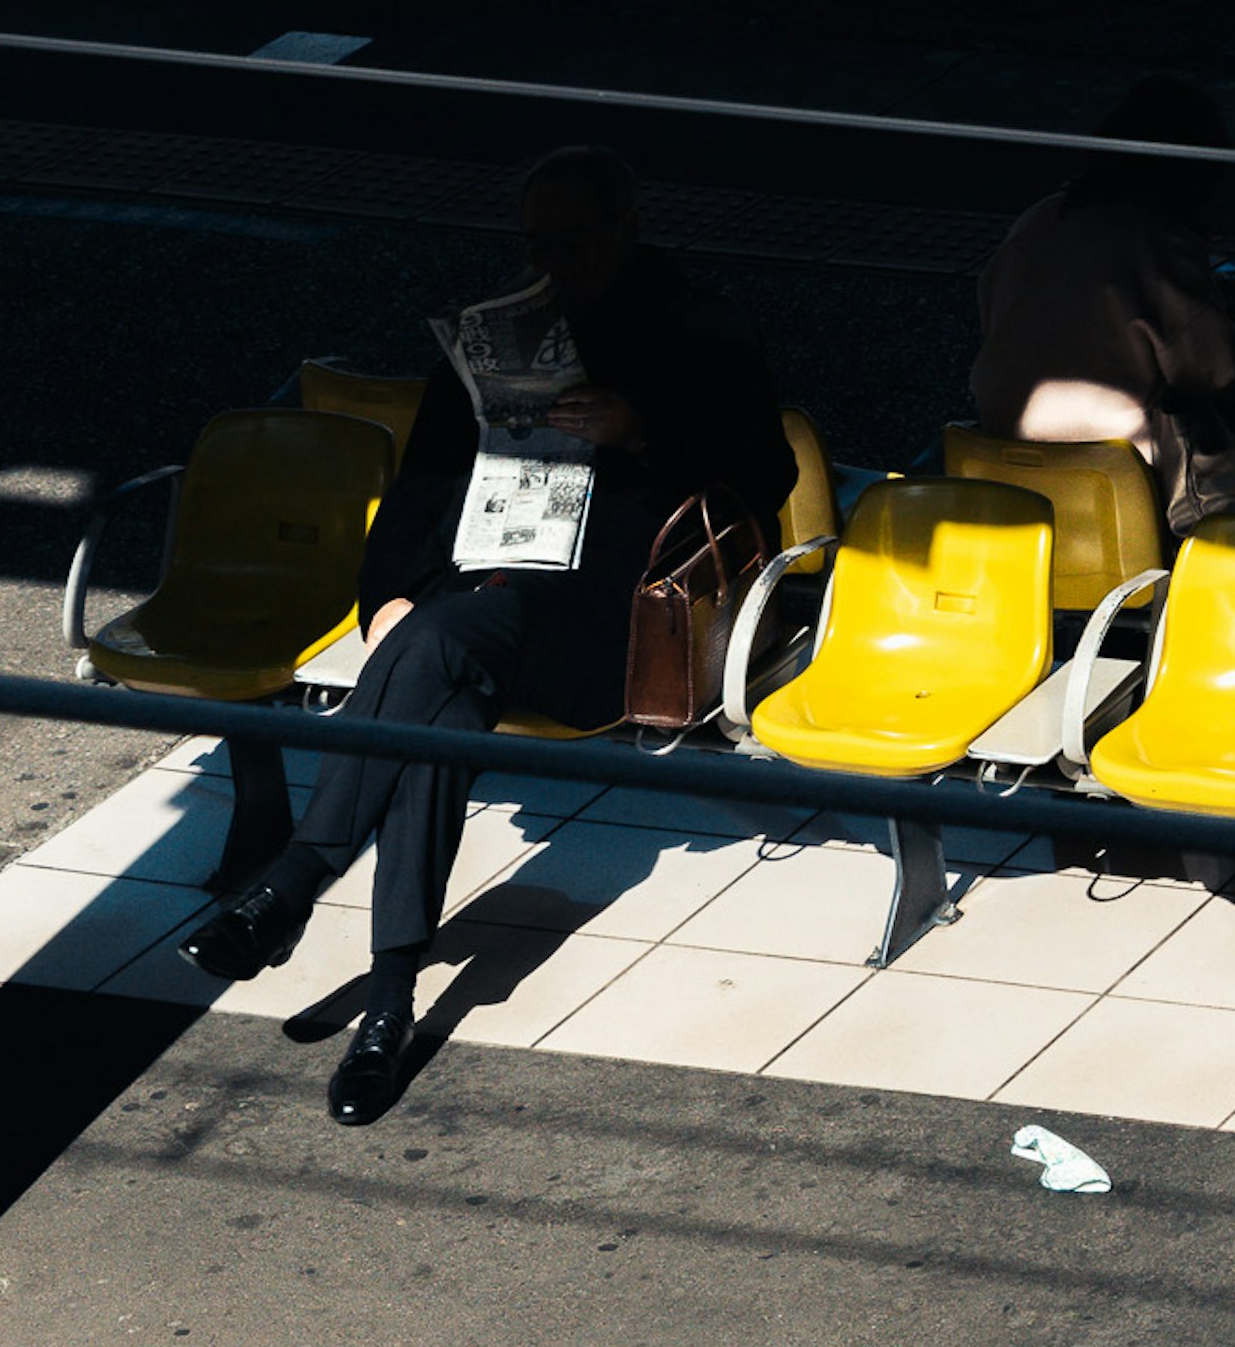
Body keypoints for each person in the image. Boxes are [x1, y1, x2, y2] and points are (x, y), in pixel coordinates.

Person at [181, 146, 797, 1123]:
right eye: (538, 244)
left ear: (625, 230)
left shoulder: (699, 331)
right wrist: (386, 595)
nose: (556, 263)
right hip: (484, 592)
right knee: (439, 715)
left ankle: (294, 884)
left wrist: (639, 432)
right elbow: (421, 484)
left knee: (428, 653)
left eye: (576, 242)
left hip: (602, 617)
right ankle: (389, 1006)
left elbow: (765, 476)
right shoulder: (501, 332)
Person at [968, 74, 1235, 533]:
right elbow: (1212, 369)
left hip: (998, 456)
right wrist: (1233, 319)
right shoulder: (1156, 239)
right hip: (1114, 475)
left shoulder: (1039, 218)